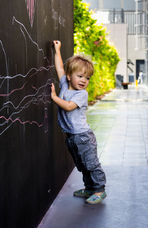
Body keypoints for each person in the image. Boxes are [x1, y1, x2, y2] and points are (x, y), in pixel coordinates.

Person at [51, 40, 106, 205]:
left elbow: (68, 107)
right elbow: (60, 67)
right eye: (80, 76)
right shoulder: (64, 85)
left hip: (83, 136)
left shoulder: (81, 94)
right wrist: (57, 50)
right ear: (69, 76)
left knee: (91, 164)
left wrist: (54, 97)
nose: (84, 80)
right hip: (72, 137)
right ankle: (89, 188)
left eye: (87, 78)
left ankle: (99, 189)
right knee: (81, 164)